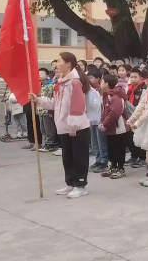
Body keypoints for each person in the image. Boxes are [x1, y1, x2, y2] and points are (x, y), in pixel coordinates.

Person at [31, 52, 92, 198]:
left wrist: (73, 125)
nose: (57, 64)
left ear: (68, 63)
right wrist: (38, 99)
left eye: (59, 61)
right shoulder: (61, 82)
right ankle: (70, 183)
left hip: (77, 127)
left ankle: (81, 185)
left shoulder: (74, 82)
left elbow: (78, 106)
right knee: (68, 157)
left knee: (79, 158)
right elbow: (55, 104)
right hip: (65, 127)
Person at [99, 73, 128, 179]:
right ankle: (113, 166)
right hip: (110, 128)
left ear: (107, 83)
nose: (100, 83)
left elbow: (115, 112)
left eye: (102, 81)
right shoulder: (107, 95)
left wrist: (105, 124)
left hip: (118, 128)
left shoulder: (115, 96)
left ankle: (120, 168)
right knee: (111, 148)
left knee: (118, 149)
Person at [86, 68, 109, 173]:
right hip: (92, 120)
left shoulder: (101, 90)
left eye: (90, 77)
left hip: (100, 120)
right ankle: (98, 160)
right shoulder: (88, 90)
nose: (88, 79)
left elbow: (99, 105)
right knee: (94, 142)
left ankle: (104, 162)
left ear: (98, 79)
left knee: (101, 142)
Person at [125, 69, 148, 168]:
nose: (133, 79)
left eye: (135, 77)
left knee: (139, 137)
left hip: (139, 115)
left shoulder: (143, 89)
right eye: (131, 77)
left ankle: (142, 157)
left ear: (141, 78)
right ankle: (134, 155)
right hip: (130, 115)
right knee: (130, 137)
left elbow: (142, 104)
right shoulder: (130, 88)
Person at [36, 68, 60, 153]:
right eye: (38, 74)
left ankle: (51, 144)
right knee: (42, 128)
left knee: (49, 128)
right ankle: (45, 143)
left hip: (47, 110)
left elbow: (51, 98)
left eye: (41, 74)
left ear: (47, 76)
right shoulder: (40, 85)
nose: (39, 75)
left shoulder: (50, 85)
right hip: (40, 110)